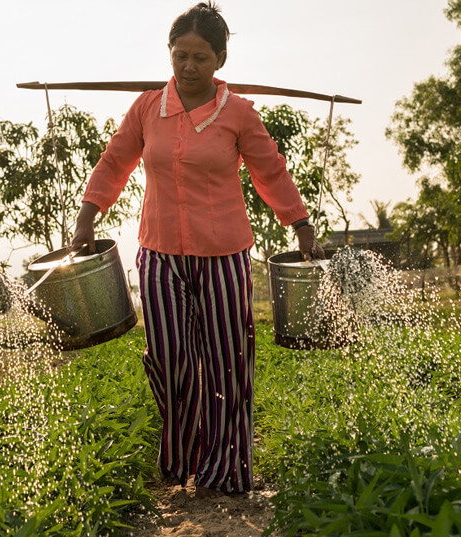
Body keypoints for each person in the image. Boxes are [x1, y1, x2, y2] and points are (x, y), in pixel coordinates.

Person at [70, 1, 323, 496]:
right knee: (168, 359)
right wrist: (87, 214)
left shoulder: (239, 115)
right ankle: (183, 455)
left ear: (220, 60)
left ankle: (225, 468)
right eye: (180, 55)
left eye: (200, 58)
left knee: (228, 360)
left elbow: (270, 172)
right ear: (169, 54)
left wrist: (300, 224)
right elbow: (114, 162)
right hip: (159, 254)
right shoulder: (147, 108)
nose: (188, 67)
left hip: (224, 256)